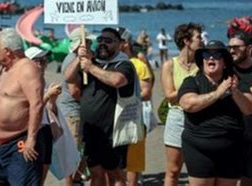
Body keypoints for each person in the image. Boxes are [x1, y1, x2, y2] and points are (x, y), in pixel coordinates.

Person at [65, 27, 136, 185]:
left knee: (115, 175)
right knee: (96, 173)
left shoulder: (123, 64)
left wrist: (90, 67)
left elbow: (117, 80)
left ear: (119, 44)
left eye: (108, 41)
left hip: (112, 131)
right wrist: (79, 58)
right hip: (91, 130)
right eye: (101, 40)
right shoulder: (93, 62)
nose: (103, 43)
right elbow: (68, 77)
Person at [179, 40, 252, 186]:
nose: (211, 58)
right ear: (202, 61)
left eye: (217, 55)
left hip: (231, 149)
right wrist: (218, 93)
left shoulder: (236, 82)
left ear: (225, 62)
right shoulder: (192, 82)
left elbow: (250, 108)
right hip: (199, 149)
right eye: (207, 54)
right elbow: (188, 104)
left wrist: (235, 92)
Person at [0, 28, 45, 185]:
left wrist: (31, 139)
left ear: (7, 51)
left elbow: (36, 104)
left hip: (19, 143)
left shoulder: (27, 69)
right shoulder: (7, 69)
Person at [161, 23, 202, 186]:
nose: (202, 40)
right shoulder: (170, 65)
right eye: (198, 37)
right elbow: (170, 96)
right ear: (187, 40)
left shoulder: (203, 64)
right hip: (177, 117)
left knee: (198, 170)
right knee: (173, 170)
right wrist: (192, 88)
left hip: (199, 117)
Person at [118, 28, 154, 186]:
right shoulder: (108, 63)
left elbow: (146, 92)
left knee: (132, 161)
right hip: (111, 120)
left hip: (133, 117)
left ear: (124, 43)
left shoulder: (138, 64)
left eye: (114, 40)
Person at [60, 27, 95, 186]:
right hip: (72, 112)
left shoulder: (78, 59)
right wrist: (93, 103)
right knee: (73, 154)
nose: (90, 44)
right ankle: (71, 182)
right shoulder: (72, 60)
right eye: (87, 41)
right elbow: (74, 91)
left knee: (82, 151)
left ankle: (75, 181)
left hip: (76, 111)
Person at [24, 46, 62, 185]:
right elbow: (29, 108)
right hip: (31, 129)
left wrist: (52, 100)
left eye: (44, 60)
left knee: (44, 170)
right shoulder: (24, 81)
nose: (42, 64)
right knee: (30, 173)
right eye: (37, 60)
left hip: (45, 128)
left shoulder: (43, 80)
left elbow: (49, 110)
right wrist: (47, 95)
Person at [228, 31, 252, 186]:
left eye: (236, 47)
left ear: (249, 48)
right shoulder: (226, 72)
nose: (232, 50)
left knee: (247, 182)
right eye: (230, 47)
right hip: (229, 136)